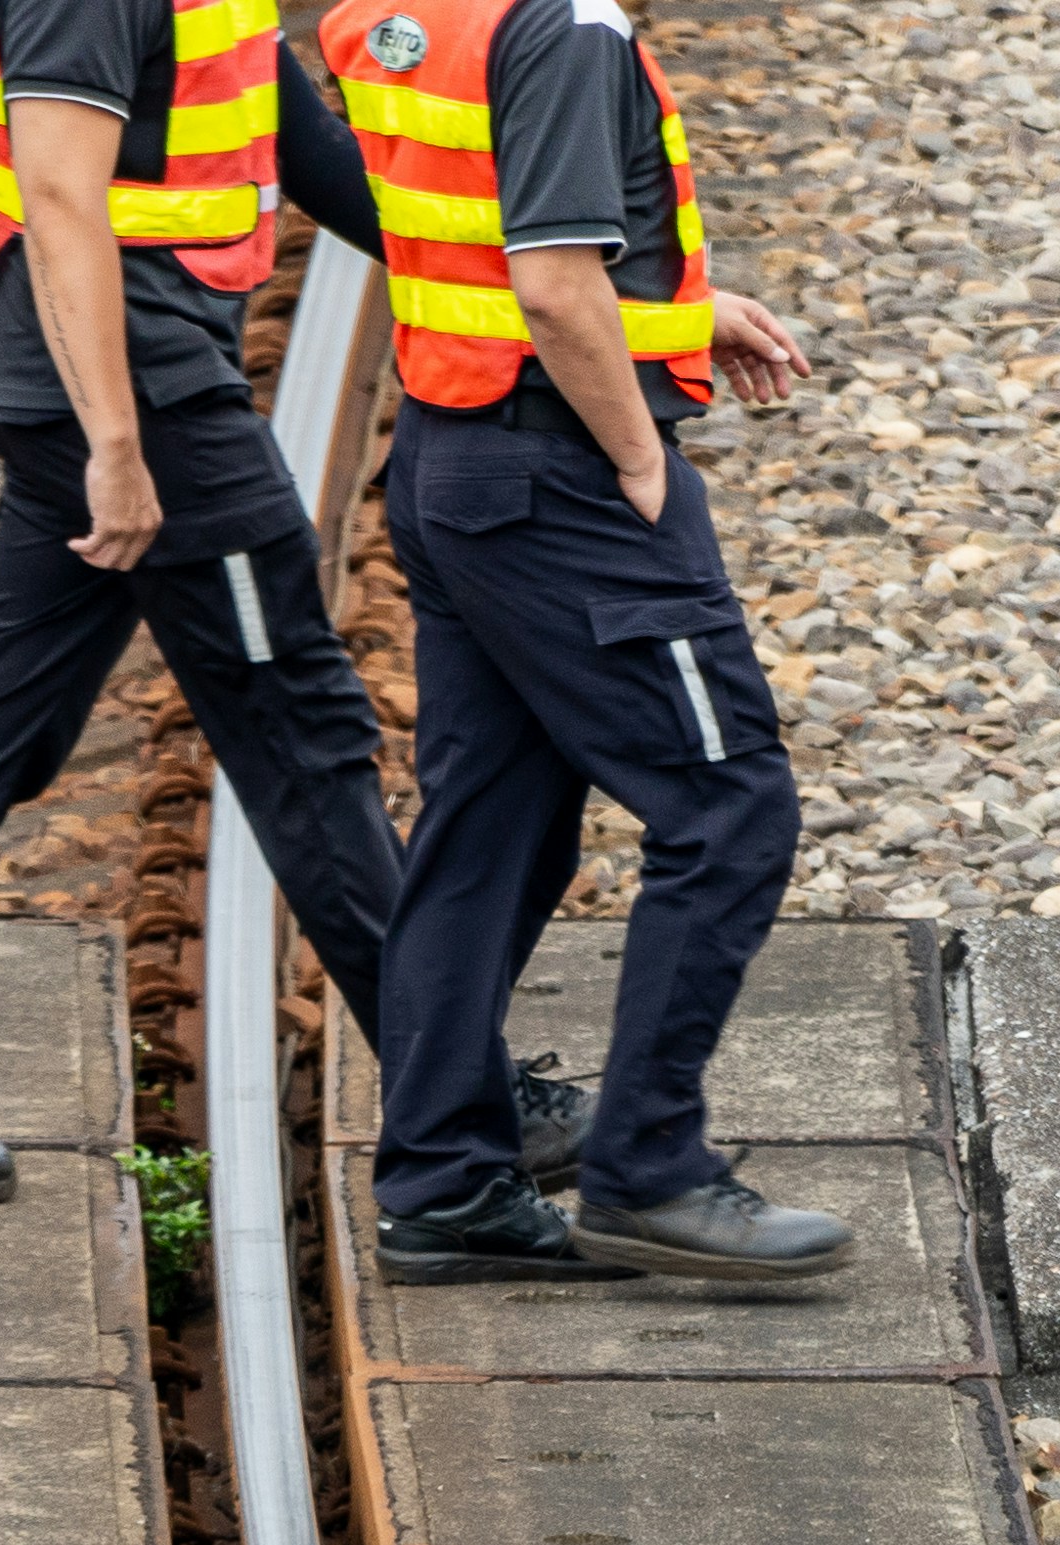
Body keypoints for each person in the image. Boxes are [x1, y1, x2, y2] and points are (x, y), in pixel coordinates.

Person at [0, 0, 454, 1206]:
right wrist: (116, 446)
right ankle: (458, 1101)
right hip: (133, 398)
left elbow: (314, 151)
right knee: (303, 733)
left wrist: (558, 289)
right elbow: (60, 195)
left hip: (106, 385)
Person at [319, 0, 846, 1282]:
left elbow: (469, 232)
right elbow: (553, 286)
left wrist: (675, 308)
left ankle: (443, 1180)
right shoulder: (566, 28)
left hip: (454, 458)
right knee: (730, 805)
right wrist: (638, 459)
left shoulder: (398, 13)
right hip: (561, 474)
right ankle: (649, 1168)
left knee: (489, 827)